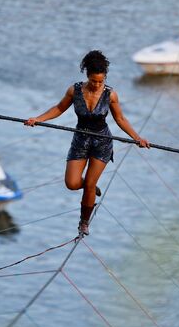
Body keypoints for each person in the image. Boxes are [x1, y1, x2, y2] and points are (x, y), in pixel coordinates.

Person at [25, 50, 150, 236]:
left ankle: (84, 222)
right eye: (93, 81)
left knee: (90, 185)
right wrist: (38, 119)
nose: (97, 85)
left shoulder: (111, 95)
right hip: (80, 140)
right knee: (72, 183)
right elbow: (59, 108)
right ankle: (89, 186)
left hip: (102, 142)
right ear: (87, 76)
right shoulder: (74, 90)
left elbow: (121, 119)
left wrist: (137, 137)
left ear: (105, 77)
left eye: (101, 81)